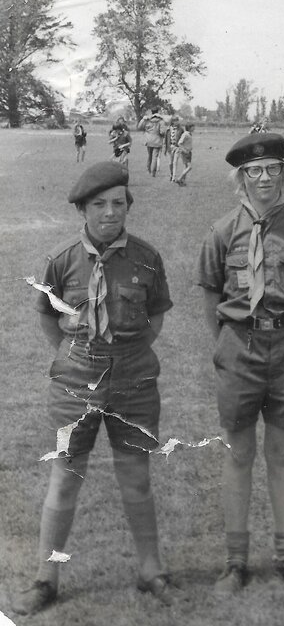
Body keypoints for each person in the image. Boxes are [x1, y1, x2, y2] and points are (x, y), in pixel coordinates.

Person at [12, 162, 176, 615]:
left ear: (128, 206)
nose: (110, 213)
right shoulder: (62, 260)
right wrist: (78, 357)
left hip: (133, 381)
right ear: (83, 209)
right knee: (65, 478)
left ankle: (150, 570)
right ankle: (46, 579)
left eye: (118, 203)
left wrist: (124, 358)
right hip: (75, 384)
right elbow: (49, 320)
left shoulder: (147, 257)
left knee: (136, 478)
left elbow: (155, 317)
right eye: (100, 205)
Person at [196, 133, 284, 595]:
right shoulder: (221, 232)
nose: (265, 178)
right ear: (241, 177)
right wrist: (226, 347)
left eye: (273, 169)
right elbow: (212, 296)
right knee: (238, 454)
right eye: (254, 171)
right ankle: (236, 562)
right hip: (239, 347)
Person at [138, 109, 166, 177]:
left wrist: (143, 120)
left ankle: (148, 170)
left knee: (149, 156)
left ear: (152, 112)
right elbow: (162, 132)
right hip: (157, 141)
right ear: (158, 112)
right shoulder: (161, 121)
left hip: (148, 140)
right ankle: (153, 173)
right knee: (155, 157)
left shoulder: (148, 120)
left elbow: (139, 127)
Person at [165, 115, 182, 181]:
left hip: (177, 147)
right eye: (175, 121)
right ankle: (171, 174)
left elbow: (183, 138)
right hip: (170, 147)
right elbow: (165, 139)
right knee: (170, 163)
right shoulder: (168, 129)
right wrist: (165, 148)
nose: (176, 122)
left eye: (177, 120)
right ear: (172, 121)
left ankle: (174, 177)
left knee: (175, 162)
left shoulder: (180, 129)